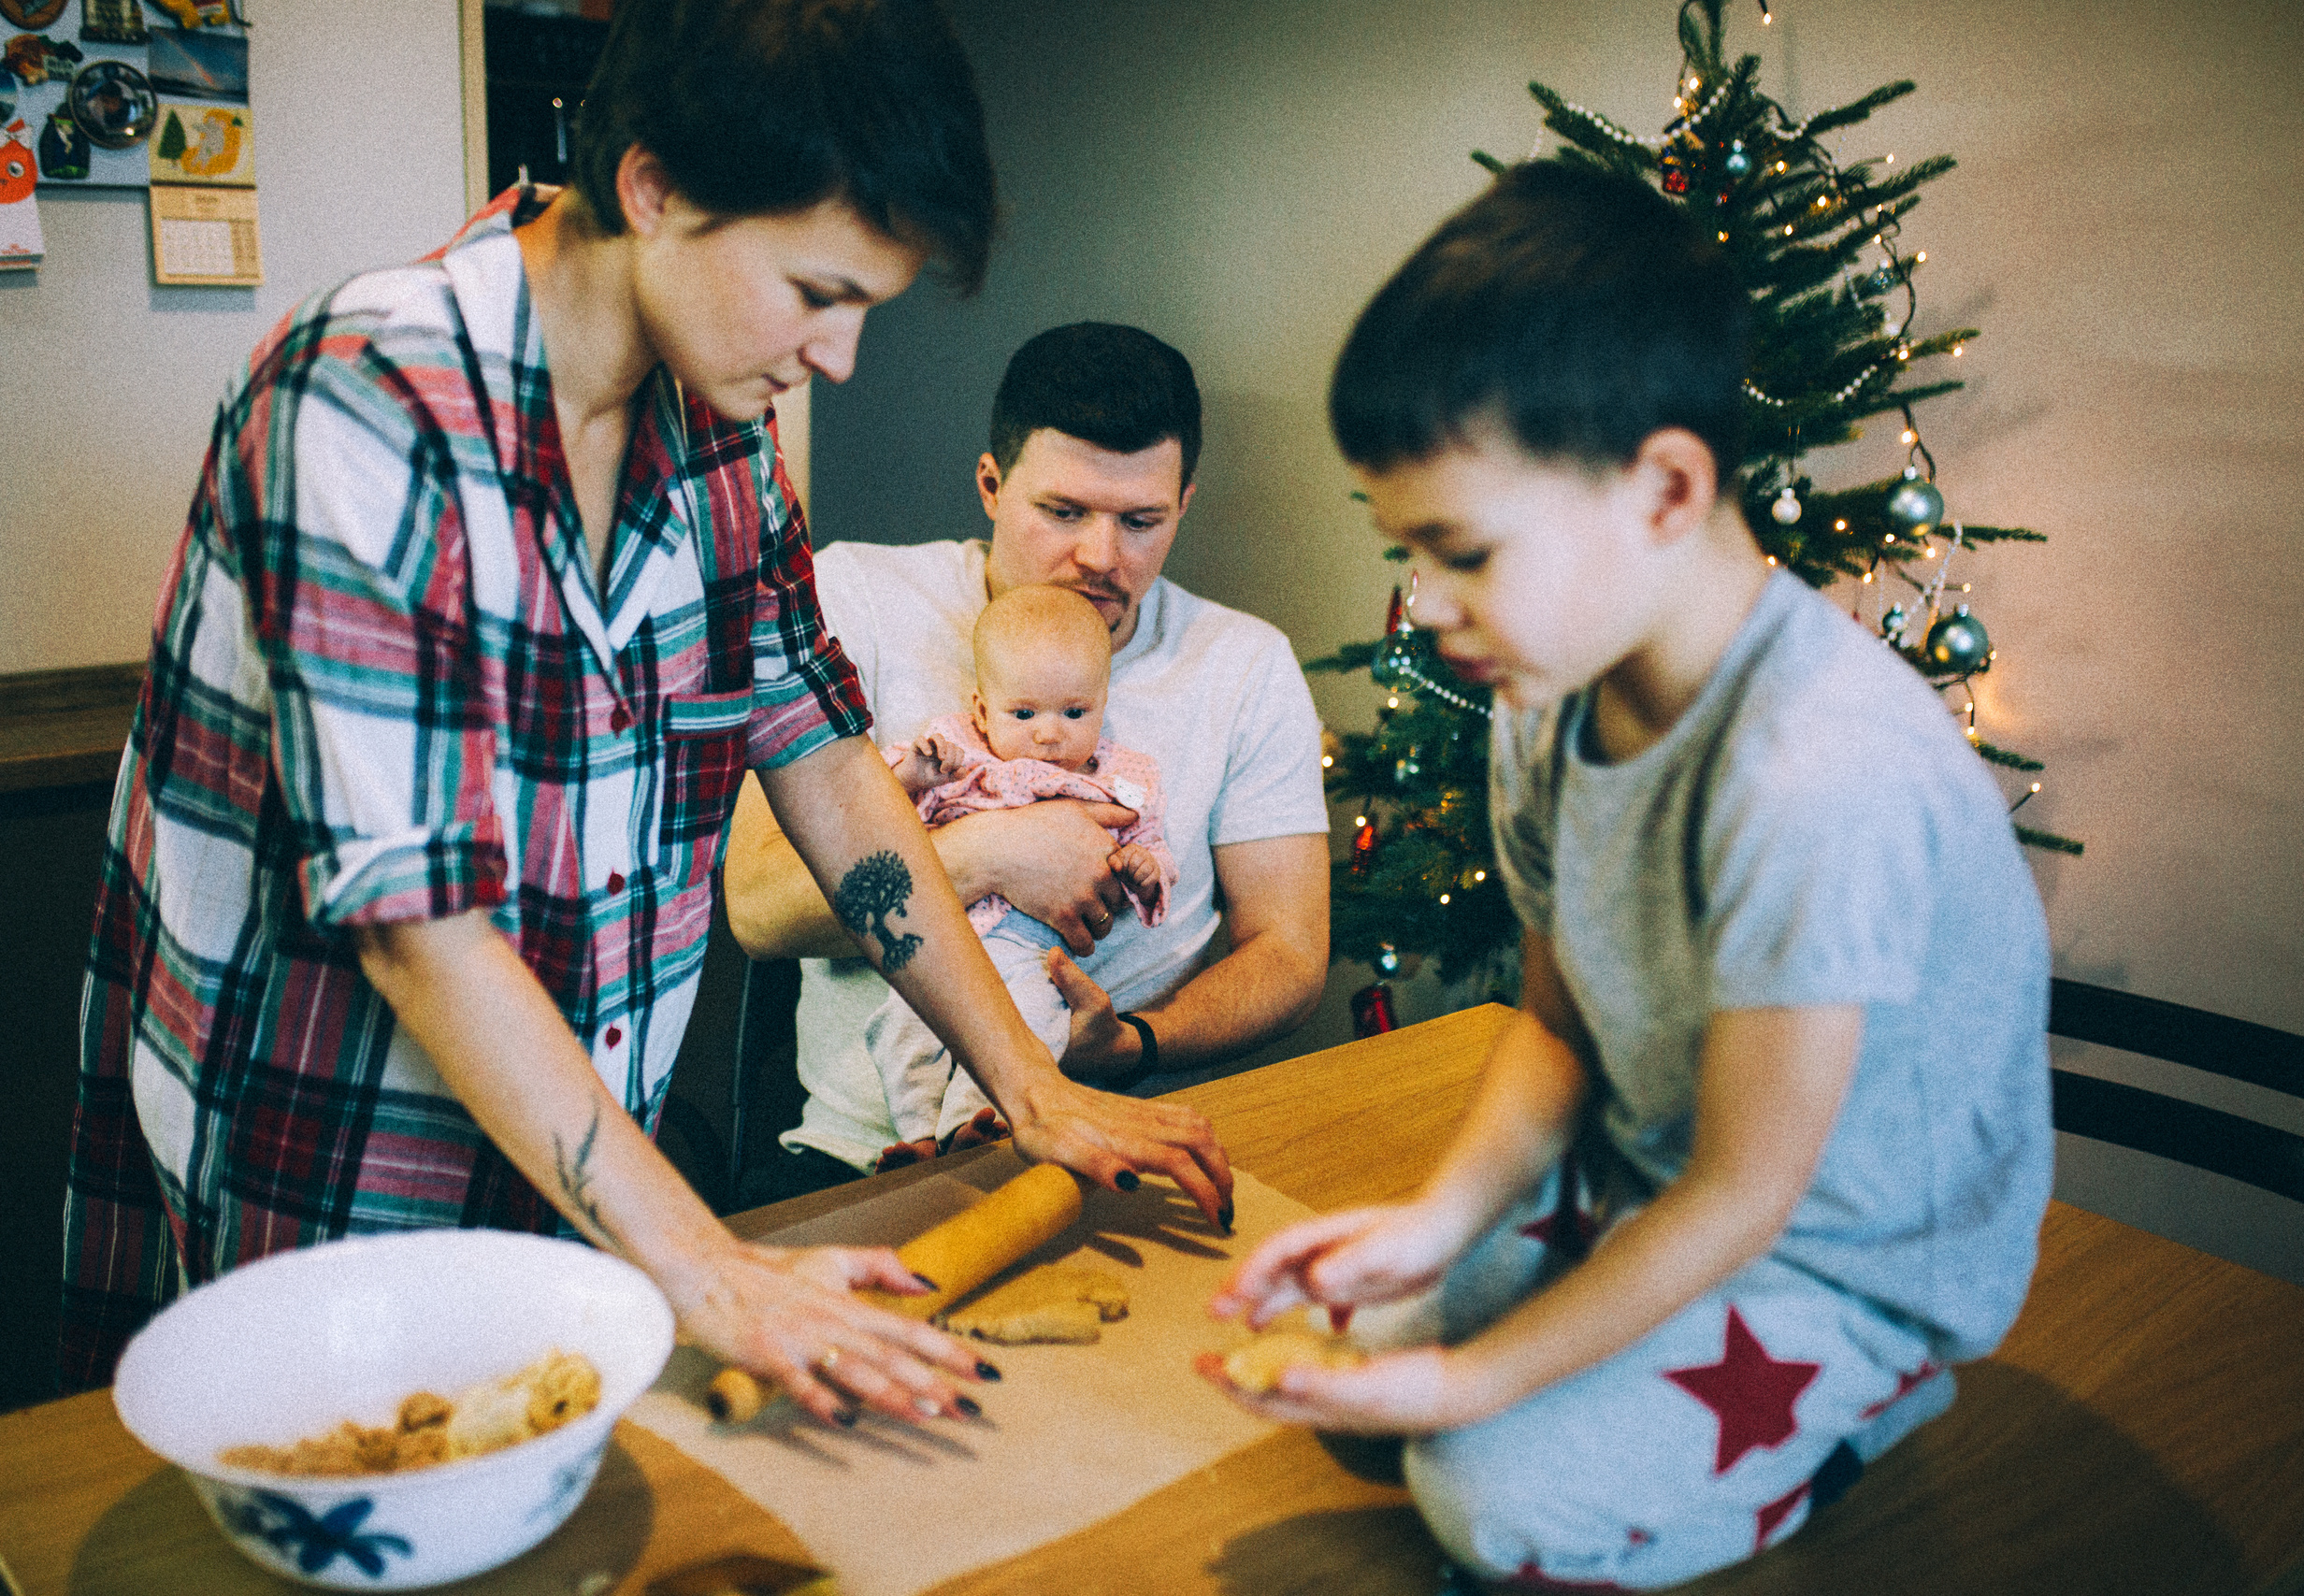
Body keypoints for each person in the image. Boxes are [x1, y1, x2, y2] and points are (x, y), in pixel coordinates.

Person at [60, 0, 1233, 1432]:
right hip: (342, 1149)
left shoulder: (722, 430)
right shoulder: (365, 404)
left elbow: (823, 752)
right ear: (655, 188)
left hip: (594, 1146)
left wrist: (1030, 1087)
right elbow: (414, 929)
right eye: (817, 291)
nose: (844, 357)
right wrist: (713, 1267)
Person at [1200, 160, 2052, 1590]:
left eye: (1463, 551)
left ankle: (1874, 1394)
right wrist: (1436, 1222)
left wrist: (1468, 1392)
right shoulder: (1547, 693)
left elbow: (1743, 1194)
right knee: (1363, 1374)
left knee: (1481, 1492)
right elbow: (1555, 1024)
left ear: (1665, 486)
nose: (1427, 609)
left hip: (1829, 1256)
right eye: (1408, 550)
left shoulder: (1819, 773)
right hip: (1646, 1178)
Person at [723, 322, 1331, 1201]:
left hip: (1127, 1143)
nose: (1100, 556)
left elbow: (1291, 950)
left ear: (1183, 505)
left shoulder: (1244, 665)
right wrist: (990, 855)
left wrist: (1133, 1044)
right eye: (1063, 511)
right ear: (991, 485)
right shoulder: (857, 597)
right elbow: (758, 909)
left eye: (1141, 521)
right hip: (854, 1161)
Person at [865, 583, 1177, 1167]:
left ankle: (970, 1124)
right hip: (938, 936)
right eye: (1025, 714)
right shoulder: (957, 751)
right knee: (905, 1029)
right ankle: (917, 1137)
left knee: (1030, 1026)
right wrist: (914, 773)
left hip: (1027, 950)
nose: (1050, 733)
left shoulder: (1122, 778)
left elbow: (1151, 845)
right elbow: (873, 819)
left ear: (1102, 707)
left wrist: (1146, 868)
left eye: (1075, 712)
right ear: (983, 709)